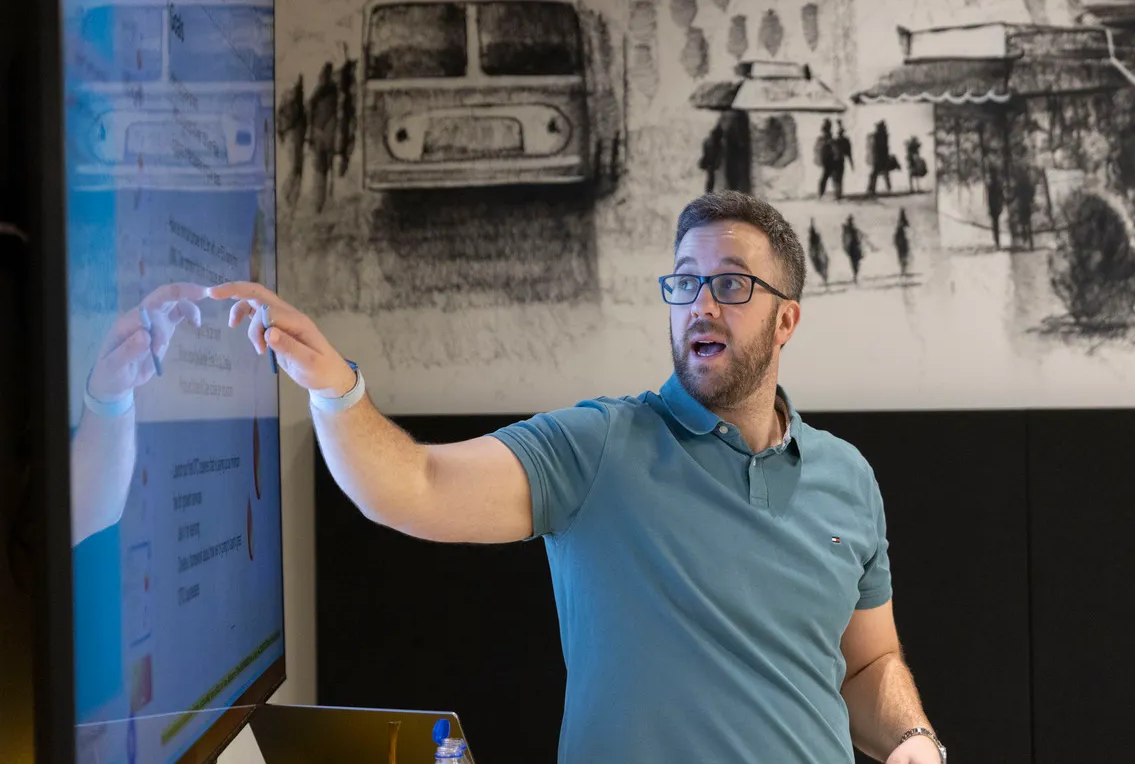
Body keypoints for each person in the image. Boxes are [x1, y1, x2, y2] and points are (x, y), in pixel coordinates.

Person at [208, 191, 945, 764]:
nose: (702, 304)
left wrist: (912, 738)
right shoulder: (597, 447)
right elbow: (413, 485)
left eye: (731, 284)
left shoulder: (846, 476)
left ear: (787, 322)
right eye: (685, 282)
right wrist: (335, 390)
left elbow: (868, 663)